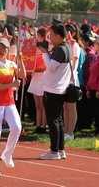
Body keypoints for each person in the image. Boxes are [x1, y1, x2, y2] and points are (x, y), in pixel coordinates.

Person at [0, 37, 26, 177]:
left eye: (4, 48)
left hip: (9, 103)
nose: (1, 50)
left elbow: (23, 75)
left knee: (17, 127)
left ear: (8, 50)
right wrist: (12, 85)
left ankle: (7, 154)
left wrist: (20, 60)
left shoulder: (11, 64)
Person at [40, 23, 72, 160]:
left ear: (59, 36)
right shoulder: (66, 48)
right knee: (58, 120)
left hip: (53, 89)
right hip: (59, 88)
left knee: (53, 121)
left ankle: (54, 151)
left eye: (52, 35)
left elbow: (51, 67)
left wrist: (44, 54)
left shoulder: (60, 50)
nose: (50, 37)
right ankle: (60, 149)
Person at [28, 28, 48, 134]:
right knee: (37, 105)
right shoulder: (34, 47)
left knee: (43, 104)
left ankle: (43, 125)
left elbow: (47, 64)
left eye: (38, 35)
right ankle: (38, 124)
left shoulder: (46, 47)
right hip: (35, 77)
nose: (36, 37)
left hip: (43, 77)